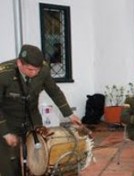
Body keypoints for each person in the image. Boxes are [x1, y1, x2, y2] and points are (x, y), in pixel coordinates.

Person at [0, 44, 81, 176]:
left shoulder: (43, 70)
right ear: (19, 63)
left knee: (41, 157)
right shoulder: (4, 75)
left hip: (32, 117)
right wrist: (5, 133)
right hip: (8, 120)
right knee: (9, 163)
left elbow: (54, 92)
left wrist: (69, 114)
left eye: (37, 70)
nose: (34, 73)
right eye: (30, 69)